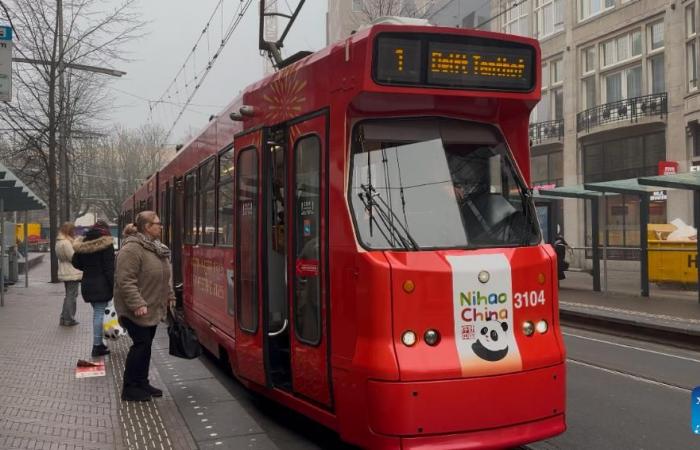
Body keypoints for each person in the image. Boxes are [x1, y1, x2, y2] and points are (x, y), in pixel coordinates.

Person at [114, 211, 175, 402]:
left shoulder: (157, 248)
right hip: (136, 310)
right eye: (158, 223)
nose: (161, 226)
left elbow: (165, 276)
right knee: (141, 345)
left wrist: (170, 295)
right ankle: (130, 388)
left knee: (146, 346)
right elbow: (125, 280)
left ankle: (142, 382)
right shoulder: (132, 249)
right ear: (147, 227)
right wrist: (137, 303)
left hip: (152, 307)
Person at [72, 220, 115, 357]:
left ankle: (100, 343)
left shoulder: (83, 243)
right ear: (105, 230)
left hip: (87, 283)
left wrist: (88, 268)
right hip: (102, 284)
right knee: (99, 313)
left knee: (98, 313)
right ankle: (97, 346)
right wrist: (114, 286)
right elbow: (109, 269)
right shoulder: (106, 244)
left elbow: (75, 262)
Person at [56, 222, 82, 327]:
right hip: (72, 271)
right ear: (69, 230)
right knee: (72, 296)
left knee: (68, 295)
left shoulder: (59, 241)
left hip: (65, 270)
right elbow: (73, 257)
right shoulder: (66, 243)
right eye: (73, 230)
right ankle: (69, 318)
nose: (74, 232)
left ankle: (63, 317)